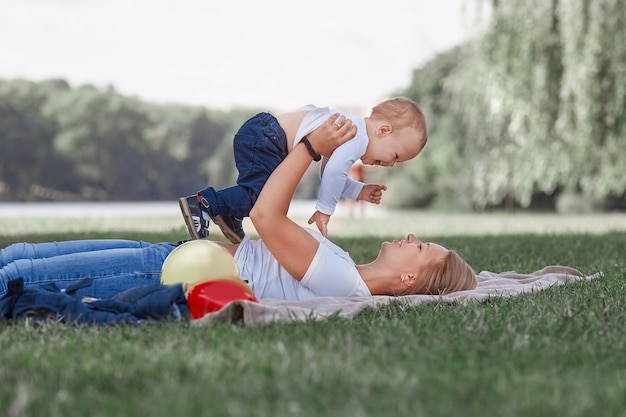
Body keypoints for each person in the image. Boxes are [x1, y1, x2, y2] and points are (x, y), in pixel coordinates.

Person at [0, 115, 476, 303]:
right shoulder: (341, 265)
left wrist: (308, 148)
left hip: (162, 271)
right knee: (21, 254)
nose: (413, 237)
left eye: (423, 248)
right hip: (173, 254)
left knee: (22, 273)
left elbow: (268, 217)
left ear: (410, 280)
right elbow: (259, 235)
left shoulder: (343, 281)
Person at [180, 97, 428, 243]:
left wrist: (358, 192)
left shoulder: (350, 129)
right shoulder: (356, 136)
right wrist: (325, 209)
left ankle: (228, 213)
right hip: (268, 137)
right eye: (394, 156)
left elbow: (330, 171)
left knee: (260, 194)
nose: (389, 164)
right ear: (383, 131)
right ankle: (203, 203)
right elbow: (333, 174)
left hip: (263, 134)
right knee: (262, 198)